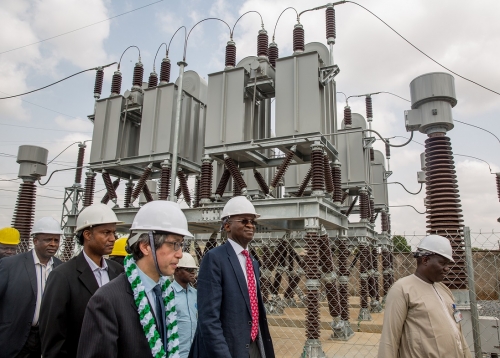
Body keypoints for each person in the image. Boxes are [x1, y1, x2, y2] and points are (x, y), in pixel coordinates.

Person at [77, 200, 193, 358]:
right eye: (174, 244)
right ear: (145, 246)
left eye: (181, 245)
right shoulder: (107, 301)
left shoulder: (165, 294)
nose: (180, 254)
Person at [189, 196, 275, 358]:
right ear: (227, 226)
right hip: (228, 349)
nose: (250, 225)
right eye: (243, 221)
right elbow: (208, 318)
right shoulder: (215, 259)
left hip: (254, 346)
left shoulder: (253, 262)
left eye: (252, 221)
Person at [40, 203, 124, 358]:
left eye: (114, 232)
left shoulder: (118, 272)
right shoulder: (62, 276)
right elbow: (53, 336)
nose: (113, 238)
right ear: (87, 234)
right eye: (106, 232)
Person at [378, 235, 472, 358]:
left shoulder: (444, 290)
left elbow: (458, 331)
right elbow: (390, 339)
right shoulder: (402, 289)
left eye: (448, 264)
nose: (447, 268)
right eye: (443, 263)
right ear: (425, 260)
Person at [0, 217, 63, 358]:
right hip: (13, 338)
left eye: (56, 240)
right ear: (35, 241)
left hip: (43, 340)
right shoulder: (9, 265)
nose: (53, 244)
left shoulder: (61, 268)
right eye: (48, 240)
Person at [173, 252, 198, 358]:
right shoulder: (168, 294)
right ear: (177, 270)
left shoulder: (196, 294)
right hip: (176, 353)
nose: (193, 273)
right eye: (189, 270)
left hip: (195, 352)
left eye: (194, 270)